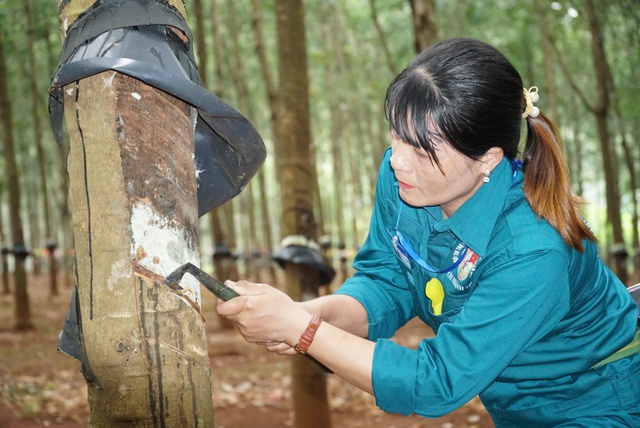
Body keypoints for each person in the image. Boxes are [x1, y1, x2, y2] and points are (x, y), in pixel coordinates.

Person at [216, 38, 640, 426]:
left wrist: (303, 331)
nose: (398, 160)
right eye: (397, 136)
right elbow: (388, 277)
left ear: (488, 159)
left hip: (600, 400)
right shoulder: (403, 181)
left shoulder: (532, 249)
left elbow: (438, 382)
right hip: (516, 406)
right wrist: (315, 314)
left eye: (421, 150)